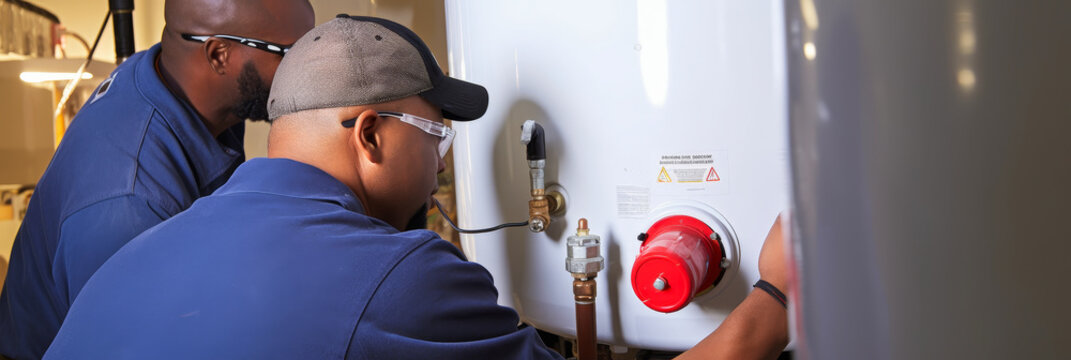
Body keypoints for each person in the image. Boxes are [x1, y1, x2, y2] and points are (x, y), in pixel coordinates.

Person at [44, 15, 790, 359]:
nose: (440, 166)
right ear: (370, 135)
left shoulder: (142, 252)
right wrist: (775, 300)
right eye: (437, 136)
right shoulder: (398, 277)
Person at [0, 1, 314, 358]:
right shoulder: (131, 201)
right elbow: (127, 346)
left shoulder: (180, 85)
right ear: (219, 56)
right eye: (290, 54)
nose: (307, 71)